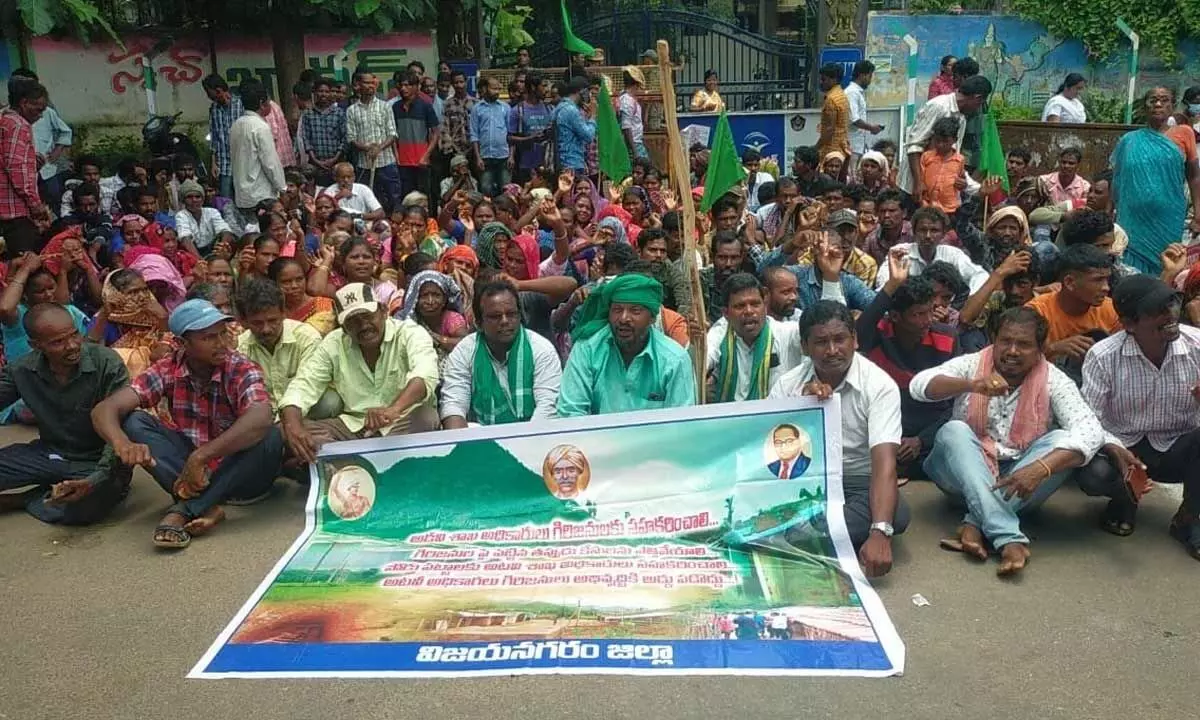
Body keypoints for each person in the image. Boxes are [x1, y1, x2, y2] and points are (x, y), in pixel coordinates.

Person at [912, 307, 1104, 576]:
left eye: (1024, 344)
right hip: (959, 478)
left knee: (1063, 440)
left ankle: (975, 524)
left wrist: (1041, 469)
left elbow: (1091, 430)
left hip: (1020, 482)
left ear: (1040, 348)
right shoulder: (972, 365)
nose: (1012, 351)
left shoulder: (1055, 380)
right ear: (994, 339)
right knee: (953, 430)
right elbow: (920, 385)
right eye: (1005, 341)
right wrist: (972, 385)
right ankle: (1008, 538)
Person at [91, 299, 284, 549]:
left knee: (268, 434)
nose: (221, 343)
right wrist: (121, 443)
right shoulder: (167, 368)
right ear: (182, 344)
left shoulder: (240, 367)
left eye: (222, 334)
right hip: (194, 472)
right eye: (209, 338)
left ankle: (184, 509)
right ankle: (208, 505)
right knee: (134, 421)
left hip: (243, 476)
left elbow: (260, 416)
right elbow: (104, 410)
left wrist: (201, 456)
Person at [769, 300, 909, 577]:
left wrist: (880, 532)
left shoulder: (879, 386)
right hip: (805, 481)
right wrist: (802, 408)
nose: (832, 351)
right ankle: (820, 533)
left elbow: (884, 464)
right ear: (805, 347)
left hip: (857, 481)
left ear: (855, 340)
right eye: (821, 342)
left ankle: (798, 535)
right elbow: (772, 455)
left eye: (840, 339)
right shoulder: (788, 385)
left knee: (898, 514)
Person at [1077, 275, 1200, 557]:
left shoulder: (1197, 346)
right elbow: (1087, 420)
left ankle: (1189, 517)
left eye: (1171, 304)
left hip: (1176, 447)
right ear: (1130, 324)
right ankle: (1124, 499)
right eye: (1157, 310)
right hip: (1122, 450)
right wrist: (1116, 449)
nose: (1170, 314)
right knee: (1093, 474)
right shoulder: (1104, 355)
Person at [0, 305, 130, 524]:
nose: (71, 346)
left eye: (74, 335)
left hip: (98, 461)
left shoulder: (107, 363)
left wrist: (96, 479)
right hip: (49, 454)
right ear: (35, 345)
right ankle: (48, 495)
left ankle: (24, 499)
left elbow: (120, 430)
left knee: (82, 509)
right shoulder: (22, 370)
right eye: (57, 342)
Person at [278, 282, 441, 457]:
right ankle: (364, 460)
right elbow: (304, 384)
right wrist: (293, 427)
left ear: (384, 311)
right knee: (285, 428)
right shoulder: (334, 343)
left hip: (402, 420)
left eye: (367, 316)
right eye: (353, 321)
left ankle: (350, 462)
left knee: (426, 417)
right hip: (355, 426)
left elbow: (425, 375)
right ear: (344, 328)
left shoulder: (410, 333)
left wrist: (393, 410)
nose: (363, 326)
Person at [857, 252, 959, 479]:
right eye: (918, 314)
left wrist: (921, 440)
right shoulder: (880, 334)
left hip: (930, 433)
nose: (928, 320)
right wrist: (891, 286)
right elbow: (859, 334)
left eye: (930, 311)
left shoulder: (947, 338)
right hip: (888, 429)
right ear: (895, 316)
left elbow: (957, 403)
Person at [557, 274, 695, 416]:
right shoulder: (588, 349)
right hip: (596, 437)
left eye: (635, 311)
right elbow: (570, 412)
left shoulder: (675, 359)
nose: (624, 318)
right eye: (617, 309)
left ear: (653, 318)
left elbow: (680, 424)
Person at [441, 279, 562, 427]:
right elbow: (454, 405)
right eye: (495, 316)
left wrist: (523, 445)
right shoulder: (465, 350)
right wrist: (460, 446)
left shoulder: (541, 349)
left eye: (511, 314)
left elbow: (548, 409)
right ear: (478, 322)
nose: (505, 321)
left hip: (532, 437)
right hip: (482, 441)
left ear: (520, 316)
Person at [1111, 86, 1200, 275]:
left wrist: (1198, 213)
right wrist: (1108, 214)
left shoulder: (1185, 133)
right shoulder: (1129, 141)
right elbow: (1117, 179)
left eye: (1164, 100)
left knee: (1168, 262)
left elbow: (1194, 176)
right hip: (1131, 219)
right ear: (1145, 106)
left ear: (1172, 105)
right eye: (1153, 100)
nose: (1158, 104)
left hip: (1169, 218)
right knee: (1129, 268)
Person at [705, 273, 802, 402]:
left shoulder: (786, 333)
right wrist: (696, 346)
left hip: (777, 418)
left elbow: (827, 331)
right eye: (740, 306)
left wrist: (830, 279)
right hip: (730, 418)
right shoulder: (720, 333)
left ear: (765, 305)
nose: (749, 311)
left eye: (755, 304)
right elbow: (704, 358)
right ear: (726, 313)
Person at [234, 277, 323, 414]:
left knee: (329, 402)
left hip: (301, 411)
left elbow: (308, 384)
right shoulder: (241, 347)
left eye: (272, 320)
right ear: (244, 321)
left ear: (284, 313)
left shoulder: (307, 337)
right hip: (266, 419)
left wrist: (289, 417)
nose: (266, 329)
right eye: (257, 323)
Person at [1027, 243, 1120, 373]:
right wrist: (1054, 348)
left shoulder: (1112, 310)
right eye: (1098, 280)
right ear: (1070, 282)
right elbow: (1019, 358)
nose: (1106, 288)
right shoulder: (1037, 312)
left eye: (1106, 280)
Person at [759, 215, 877, 313]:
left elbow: (877, 307)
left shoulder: (848, 282)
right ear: (813, 250)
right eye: (823, 248)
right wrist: (791, 245)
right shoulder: (797, 275)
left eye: (835, 249)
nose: (828, 254)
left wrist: (861, 317)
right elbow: (763, 272)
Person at [900, 75, 992, 201]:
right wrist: (918, 182)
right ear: (977, 98)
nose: (977, 108)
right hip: (915, 189)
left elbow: (953, 158)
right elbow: (914, 146)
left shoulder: (961, 118)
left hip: (940, 193)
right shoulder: (938, 106)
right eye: (980, 104)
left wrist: (974, 188)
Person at [875, 206, 988, 294]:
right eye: (923, 230)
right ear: (914, 232)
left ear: (943, 234)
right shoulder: (900, 253)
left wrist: (971, 300)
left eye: (934, 230)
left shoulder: (952, 254)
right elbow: (882, 286)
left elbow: (979, 275)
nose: (928, 236)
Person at [0, 79, 51, 255]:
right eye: (38, 109)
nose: (40, 115)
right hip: (15, 210)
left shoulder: (3, 120)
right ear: (24, 103)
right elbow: (16, 168)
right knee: (26, 262)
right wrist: (35, 204)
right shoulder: (18, 125)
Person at [230, 82, 286, 225]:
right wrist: (282, 188)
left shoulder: (236, 125)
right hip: (261, 193)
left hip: (242, 194)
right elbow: (271, 163)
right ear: (262, 103)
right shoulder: (260, 127)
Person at [346, 70, 401, 212]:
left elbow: (393, 133)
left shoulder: (385, 106)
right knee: (370, 200)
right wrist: (367, 148)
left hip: (386, 162)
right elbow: (351, 138)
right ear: (358, 85)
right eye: (366, 83)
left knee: (394, 199)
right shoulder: (352, 110)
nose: (370, 86)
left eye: (372, 83)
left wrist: (379, 148)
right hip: (365, 164)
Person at [391, 70, 440, 203]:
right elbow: (392, 135)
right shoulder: (395, 107)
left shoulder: (425, 106)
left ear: (416, 86)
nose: (403, 88)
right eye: (401, 85)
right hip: (402, 161)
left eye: (407, 85)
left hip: (421, 161)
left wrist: (426, 155)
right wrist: (396, 155)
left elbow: (436, 133)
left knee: (423, 197)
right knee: (406, 197)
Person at [202, 74, 244, 199]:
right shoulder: (214, 109)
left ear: (218, 90)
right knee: (225, 201)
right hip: (224, 164)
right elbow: (214, 136)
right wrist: (214, 163)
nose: (208, 96)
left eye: (209, 92)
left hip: (241, 162)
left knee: (243, 199)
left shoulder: (240, 104)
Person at [302, 76, 348, 188]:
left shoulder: (339, 113)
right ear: (315, 93)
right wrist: (316, 160)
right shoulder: (308, 114)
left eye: (326, 91)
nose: (323, 94)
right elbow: (306, 139)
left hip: (336, 162)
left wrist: (334, 158)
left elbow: (345, 138)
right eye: (320, 91)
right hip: (316, 164)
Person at [470, 76, 512, 197]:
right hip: (485, 157)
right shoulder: (477, 109)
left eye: (498, 89)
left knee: (506, 190)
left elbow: (511, 134)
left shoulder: (505, 108)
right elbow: (474, 135)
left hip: (504, 156)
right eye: (494, 88)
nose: (497, 92)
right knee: (485, 189)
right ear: (485, 88)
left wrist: (512, 156)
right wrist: (478, 158)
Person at [508, 72, 552, 185]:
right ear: (533, 87)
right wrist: (530, 138)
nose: (547, 89)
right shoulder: (517, 110)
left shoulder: (550, 108)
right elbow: (509, 138)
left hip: (547, 165)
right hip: (526, 166)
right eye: (543, 86)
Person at [920, 116, 966, 214]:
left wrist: (963, 184)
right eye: (937, 140)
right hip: (928, 206)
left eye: (945, 141)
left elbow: (962, 180)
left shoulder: (959, 160)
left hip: (950, 209)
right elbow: (921, 181)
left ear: (954, 140)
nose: (940, 145)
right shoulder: (926, 157)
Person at [175, 179, 233, 256]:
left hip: (212, 252)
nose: (194, 200)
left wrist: (222, 248)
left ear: (202, 199)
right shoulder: (181, 215)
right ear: (183, 200)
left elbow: (226, 231)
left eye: (197, 197)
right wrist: (201, 262)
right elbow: (185, 239)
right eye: (189, 197)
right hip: (191, 254)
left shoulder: (212, 212)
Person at [846, 61, 882, 177]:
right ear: (862, 75)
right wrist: (871, 127)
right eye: (870, 76)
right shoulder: (852, 93)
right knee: (851, 175)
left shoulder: (857, 92)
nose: (870, 80)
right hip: (852, 143)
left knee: (856, 175)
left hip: (858, 143)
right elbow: (854, 119)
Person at [553, 77, 596, 174]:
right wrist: (593, 117)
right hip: (572, 162)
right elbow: (588, 136)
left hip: (560, 161)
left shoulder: (558, 107)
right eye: (588, 91)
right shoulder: (572, 110)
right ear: (581, 91)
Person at [863, 189, 912, 264]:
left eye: (892, 211)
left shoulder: (913, 234)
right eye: (882, 211)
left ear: (904, 213)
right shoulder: (872, 239)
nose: (886, 215)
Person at [817, 64, 851, 163]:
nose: (821, 82)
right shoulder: (841, 95)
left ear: (834, 80)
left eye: (824, 79)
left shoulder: (831, 99)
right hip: (842, 146)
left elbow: (829, 130)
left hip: (831, 148)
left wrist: (816, 148)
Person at [617, 66, 648, 161]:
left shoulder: (627, 98)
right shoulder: (627, 101)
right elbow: (626, 127)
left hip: (636, 142)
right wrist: (635, 152)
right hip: (633, 145)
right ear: (636, 84)